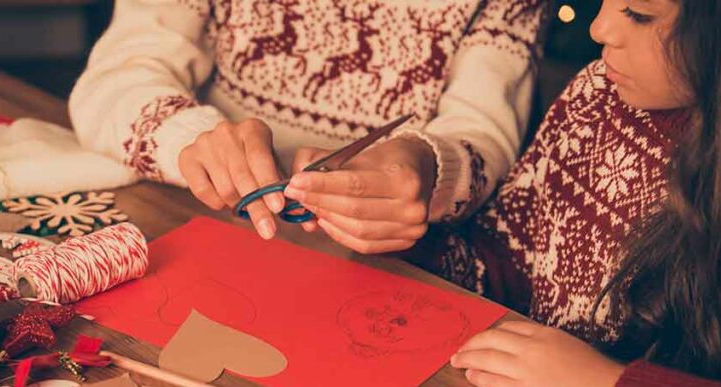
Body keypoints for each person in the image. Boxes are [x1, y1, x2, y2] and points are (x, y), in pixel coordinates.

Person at [297, 0, 721, 387]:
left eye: (639, 15)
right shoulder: (600, 93)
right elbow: (504, 263)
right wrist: (396, 229)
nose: (599, 29)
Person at [69, 0, 547, 245]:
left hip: (386, 261)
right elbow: (115, 78)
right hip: (197, 222)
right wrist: (192, 141)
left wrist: (429, 167)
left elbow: (485, 136)